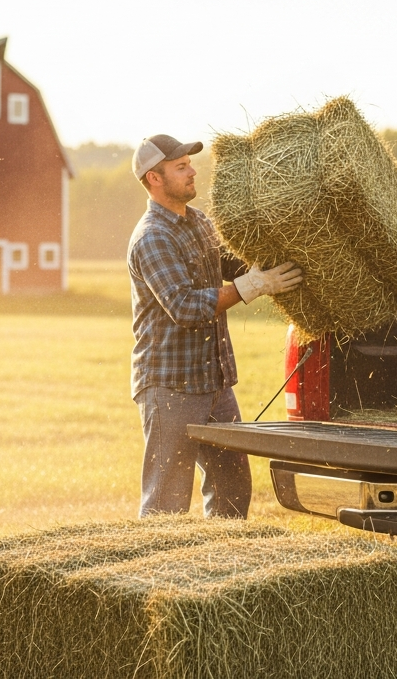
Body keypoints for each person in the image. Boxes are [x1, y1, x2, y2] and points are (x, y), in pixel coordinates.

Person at [127, 134, 302, 518]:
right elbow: (185, 306)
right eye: (181, 167)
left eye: (190, 163)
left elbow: (233, 267)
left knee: (233, 486)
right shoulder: (152, 237)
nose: (192, 171)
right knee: (167, 499)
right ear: (154, 179)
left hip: (215, 382)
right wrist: (253, 286)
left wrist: (280, 259)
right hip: (169, 385)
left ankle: (223, 568)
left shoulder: (199, 221)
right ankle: (159, 571)